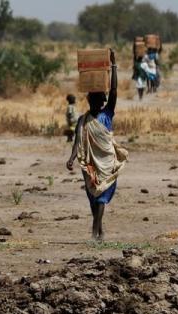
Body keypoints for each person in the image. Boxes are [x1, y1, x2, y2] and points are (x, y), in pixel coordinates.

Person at [66, 49, 128, 241]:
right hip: (89, 163)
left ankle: (95, 230)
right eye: (93, 98)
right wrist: (71, 157)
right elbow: (77, 139)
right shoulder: (83, 119)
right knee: (93, 196)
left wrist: (114, 66)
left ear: (103, 100)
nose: (97, 100)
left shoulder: (107, 113)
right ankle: (99, 229)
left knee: (101, 195)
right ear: (89, 100)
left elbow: (115, 91)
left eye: (100, 98)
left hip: (106, 162)